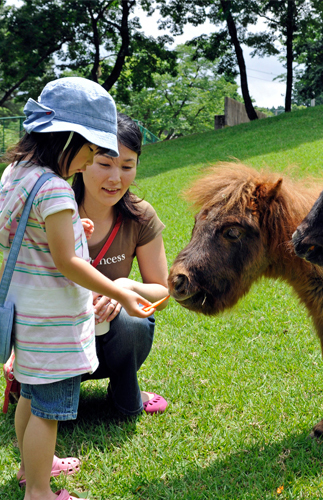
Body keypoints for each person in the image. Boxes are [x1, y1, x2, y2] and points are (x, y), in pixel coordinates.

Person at [0, 77, 154, 500]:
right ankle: (39, 490)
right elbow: (68, 263)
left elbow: (20, 231)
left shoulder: (17, 174)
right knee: (48, 412)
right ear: (67, 138)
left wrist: (71, 228)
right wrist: (120, 291)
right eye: (90, 149)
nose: (89, 159)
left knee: (30, 396)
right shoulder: (54, 187)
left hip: (26, 312)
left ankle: (31, 468)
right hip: (53, 320)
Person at [73, 113, 170, 416]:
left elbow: (162, 294)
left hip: (113, 339)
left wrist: (123, 287)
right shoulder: (54, 208)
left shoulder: (140, 216)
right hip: (59, 336)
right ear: (82, 159)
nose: (116, 178)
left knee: (134, 320)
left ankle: (123, 390)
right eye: (105, 164)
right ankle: (40, 386)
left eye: (127, 166)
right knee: (57, 416)